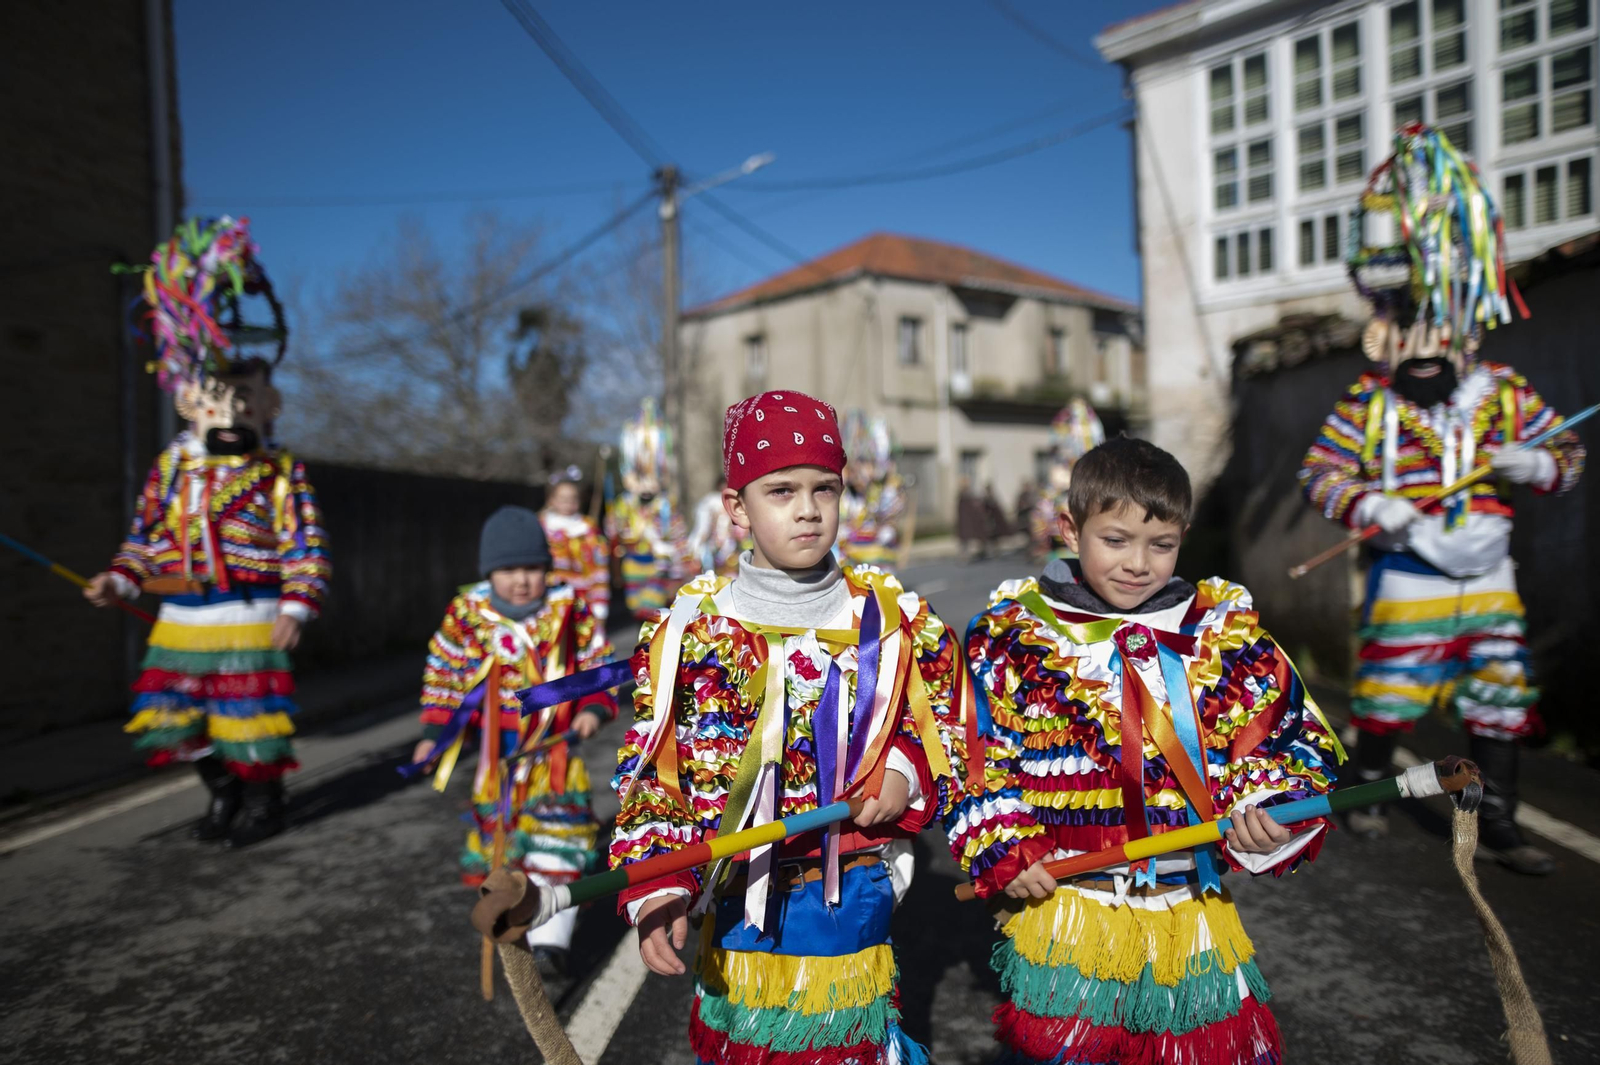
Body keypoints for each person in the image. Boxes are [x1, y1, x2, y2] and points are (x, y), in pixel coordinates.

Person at [953, 436, 1343, 1064]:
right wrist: (1006, 845)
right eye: (1115, 540)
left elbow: (1279, 733)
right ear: (1069, 528)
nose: (1139, 563)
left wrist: (1271, 809)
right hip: (1070, 907)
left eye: (1161, 545)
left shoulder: (1223, 634)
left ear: (1183, 536)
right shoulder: (1012, 636)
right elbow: (974, 751)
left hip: (1191, 905)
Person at [610, 390, 964, 1065]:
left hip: (852, 891)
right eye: (781, 490)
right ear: (737, 507)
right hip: (738, 903)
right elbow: (656, 774)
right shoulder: (690, 633)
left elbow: (946, 727)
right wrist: (657, 885)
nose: (808, 508)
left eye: (825, 488)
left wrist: (904, 769)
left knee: (844, 1046)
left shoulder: (891, 621)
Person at [1298, 124, 1582, 876]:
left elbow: (1569, 454)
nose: (1423, 345)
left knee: (1499, 694)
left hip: (1490, 577)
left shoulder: (1507, 392)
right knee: (1386, 699)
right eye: (1408, 330)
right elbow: (1320, 474)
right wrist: (1371, 505)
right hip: (1411, 574)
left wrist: (1537, 462)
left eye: (1437, 327)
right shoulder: (1368, 401)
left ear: (1462, 326)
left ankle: (1500, 819)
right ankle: (1364, 794)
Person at [84, 217, 330, 848]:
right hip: (181, 616)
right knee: (175, 718)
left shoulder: (280, 472)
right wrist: (119, 577)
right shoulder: (172, 466)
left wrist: (298, 605)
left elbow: (305, 544)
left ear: (268, 406)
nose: (233, 409)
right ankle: (223, 793)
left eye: (246, 397)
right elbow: (144, 534)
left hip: (250, 611)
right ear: (194, 403)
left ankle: (263, 799)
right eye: (220, 397)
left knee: (247, 720)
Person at [412, 505, 616, 976]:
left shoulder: (569, 611)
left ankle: (551, 942)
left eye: (532, 568)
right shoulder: (466, 618)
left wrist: (591, 709)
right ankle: (521, 927)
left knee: (558, 845)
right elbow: (443, 677)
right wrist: (433, 736)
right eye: (508, 570)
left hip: (556, 756)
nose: (521, 580)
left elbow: (597, 667)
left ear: (547, 568)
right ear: (489, 572)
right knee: (503, 853)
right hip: (496, 763)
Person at [606, 399, 692, 619]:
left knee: (652, 611)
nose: (646, 484)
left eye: (651, 477)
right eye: (640, 477)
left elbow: (678, 535)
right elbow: (613, 532)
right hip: (633, 563)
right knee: (637, 608)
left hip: (658, 566)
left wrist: (685, 563)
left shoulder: (665, 505)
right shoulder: (624, 505)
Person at [1031, 399, 1105, 563]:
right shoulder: (1058, 481)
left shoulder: (1095, 482)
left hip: (1084, 552)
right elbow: (1042, 515)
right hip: (1065, 551)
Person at [837, 410, 909, 570]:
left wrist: (885, 527)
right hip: (852, 554)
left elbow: (891, 513)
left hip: (878, 553)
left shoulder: (885, 488)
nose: (861, 471)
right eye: (857, 464)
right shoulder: (844, 493)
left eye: (865, 463)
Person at [541, 466, 611, 628]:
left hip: (583, 603)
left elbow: (600, 569)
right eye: (562, 499)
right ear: (552, 499)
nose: (568, 503)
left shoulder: (588, 529)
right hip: (550, 603)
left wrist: (600, 606)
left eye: (573, 498)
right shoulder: (543, 528)